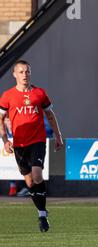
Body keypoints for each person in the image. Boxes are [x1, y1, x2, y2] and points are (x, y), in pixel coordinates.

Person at [0, 60, 64, 232]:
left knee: (36, 175)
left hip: (37, 140)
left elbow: (50, 115)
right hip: (19, 143)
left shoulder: (39, 93)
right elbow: (0, 118)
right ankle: (41, 210)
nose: (24, 75)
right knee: (29, 181)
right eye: (21, 72)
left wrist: (58, 136)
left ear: (30, 73)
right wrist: (5, 140)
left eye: (27, 72)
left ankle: (42, 215)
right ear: (15, 74)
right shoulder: (7, 96)